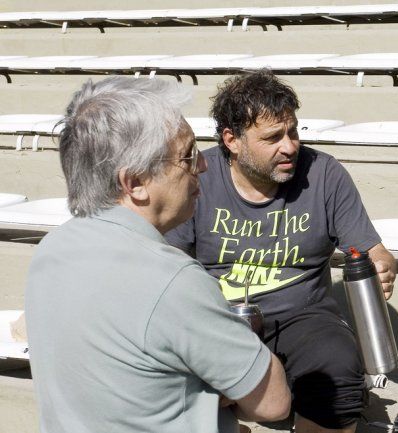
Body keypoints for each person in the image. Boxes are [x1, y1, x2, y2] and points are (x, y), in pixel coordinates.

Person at [25, 77, 291, 433]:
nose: (203, 166)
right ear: (134, 183)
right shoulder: (171, 279)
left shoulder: (51, 250)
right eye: (187, 155)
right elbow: (273, 402)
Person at [165, 70, 397, 433]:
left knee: (338, 366)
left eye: (293, 132)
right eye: (273, 137)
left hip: (304, 317)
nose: (289, 146)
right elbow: (168, 268)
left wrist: (381, 267)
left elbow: (373, 251)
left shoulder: (323, 174)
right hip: (217, 316)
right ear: (232, 140)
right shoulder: (199, 177)